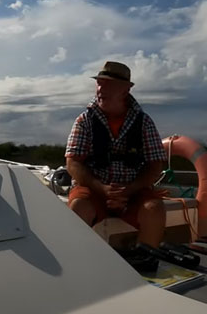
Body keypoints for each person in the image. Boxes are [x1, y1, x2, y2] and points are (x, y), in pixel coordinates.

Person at [65, 61, 167, 248]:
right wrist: (101, 188)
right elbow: (72, 163)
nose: (100, 89)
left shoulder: (144, 122)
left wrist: (129, 190)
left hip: (133, 190)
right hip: (94, 189)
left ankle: (145, 260)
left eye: (107, 84)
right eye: (99, 83)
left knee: (154, 209)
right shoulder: (85, 120)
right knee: (79, 207)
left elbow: (155, 165)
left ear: (125, 90)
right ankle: (78, 260)